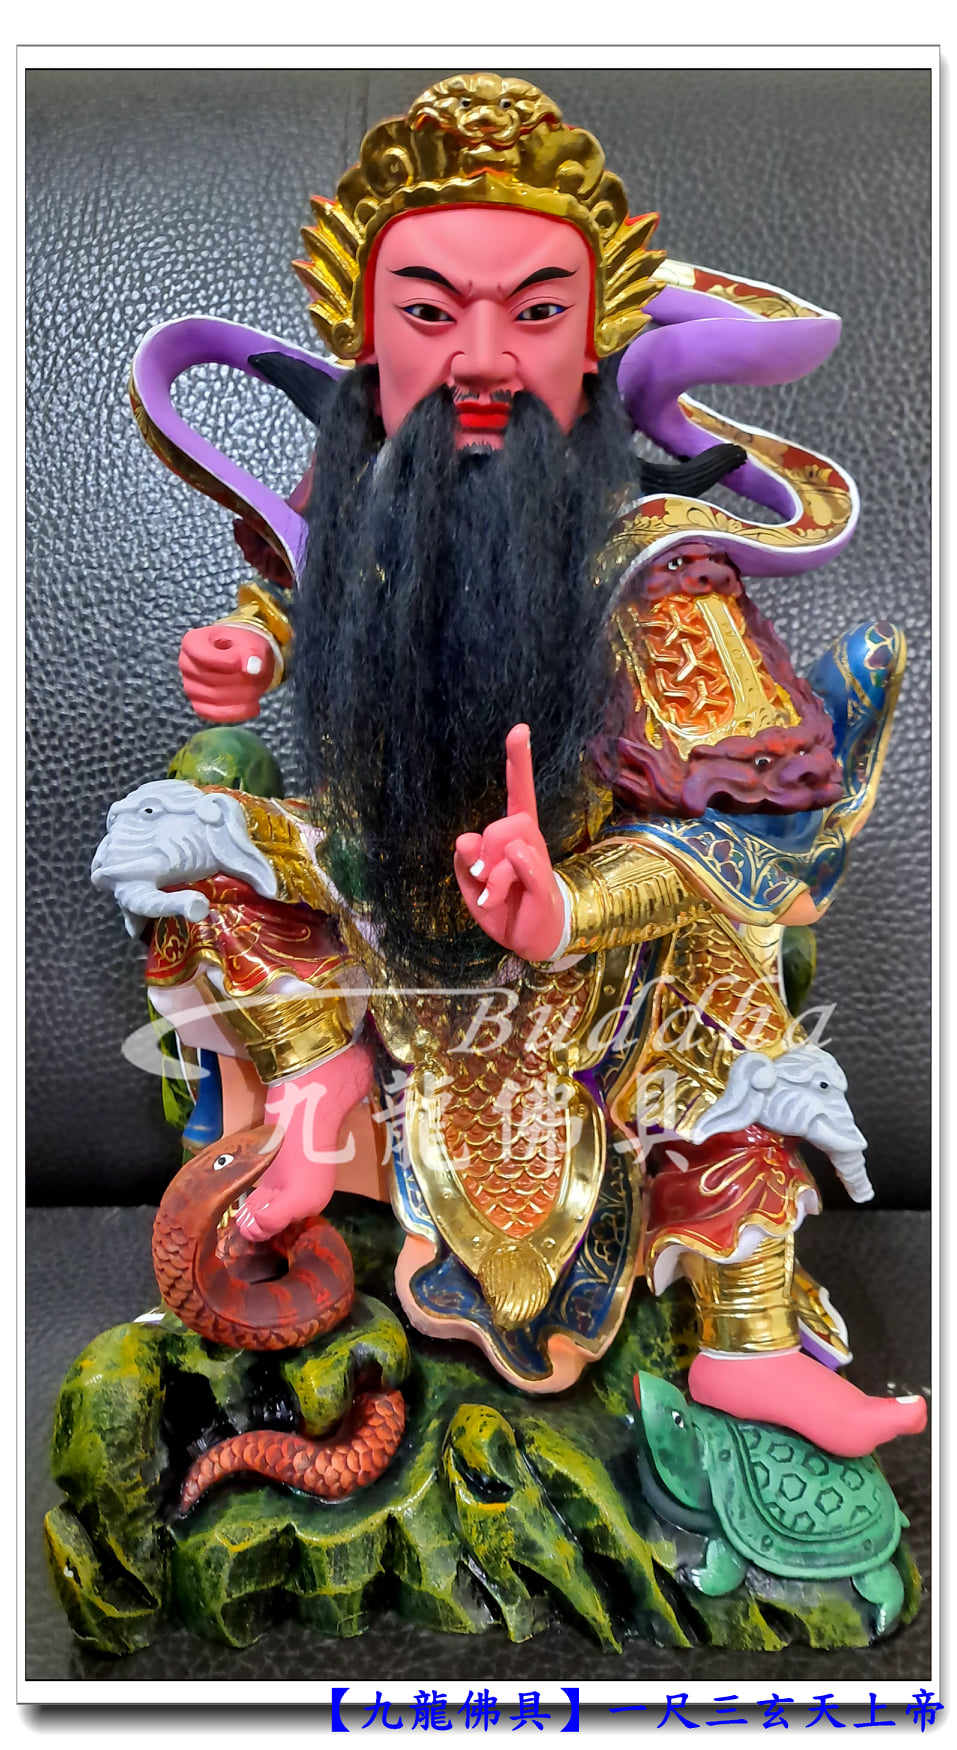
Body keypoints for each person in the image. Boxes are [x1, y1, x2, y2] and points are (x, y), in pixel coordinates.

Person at [96, 73, 925, 1456]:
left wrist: (565, 909)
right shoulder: (357, 498)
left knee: (743, 964)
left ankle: (750, 1338)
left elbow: (755, 837)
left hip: (595, 968)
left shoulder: (660, 558)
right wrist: (247, 655)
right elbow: (288, 596)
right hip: (378, 906)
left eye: (535, 314)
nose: (481, 359)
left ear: (592, 341)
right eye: (431, 313)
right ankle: (313, 1085)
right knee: (184, 823)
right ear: (364, 333)